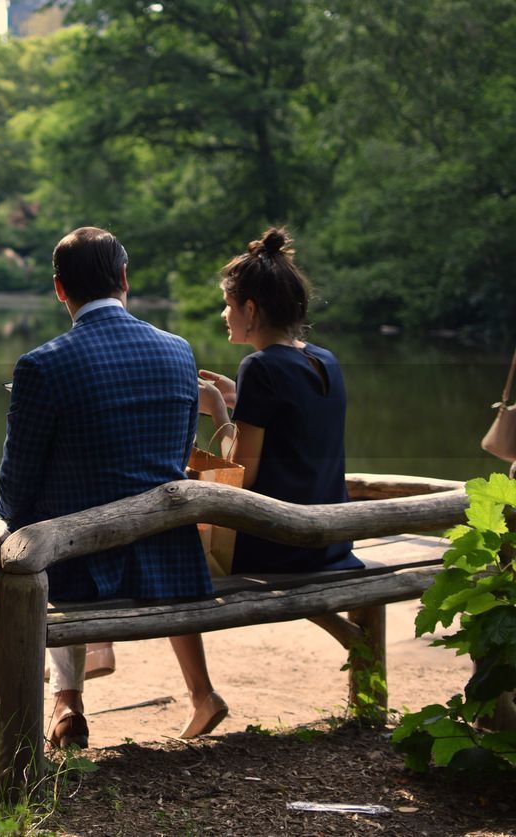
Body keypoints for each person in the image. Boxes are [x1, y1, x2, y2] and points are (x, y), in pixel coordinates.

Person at [0, 226, 218, 747]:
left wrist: (9, 507)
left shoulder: (42, 365)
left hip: (81, 571)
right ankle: (66, 703)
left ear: (60, 289)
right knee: (50, 531)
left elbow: (15, 493)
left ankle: (11, 737)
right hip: (162, 560)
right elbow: (174, 461)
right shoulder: (180, 352)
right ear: (125, 279)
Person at [174, 227, 365, 730]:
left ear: (251, 310)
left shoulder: (260, 367)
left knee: (167, 550)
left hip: (281, 541)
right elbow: (294, 420)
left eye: (228, 304)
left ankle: (203, 695)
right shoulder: (323, 359)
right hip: (331, 538)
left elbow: (244, 476)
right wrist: (241, 398)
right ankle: (350, 637)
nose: (224, 314)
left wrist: (217, 412)